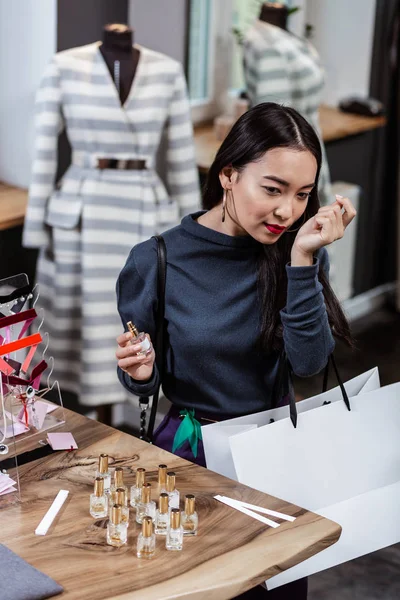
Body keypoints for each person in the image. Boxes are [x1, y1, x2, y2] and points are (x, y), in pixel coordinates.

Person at [115, 102, 356, 599]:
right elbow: (146, 377)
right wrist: (140, 373)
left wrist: (301, 260)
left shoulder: (298, 253)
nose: (288, 211)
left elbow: (309, 363)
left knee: (276, 591)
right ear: (228, 174)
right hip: (189, 458)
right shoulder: (157, 259)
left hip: (275, 458)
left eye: (302, 194)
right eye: (272, 189)